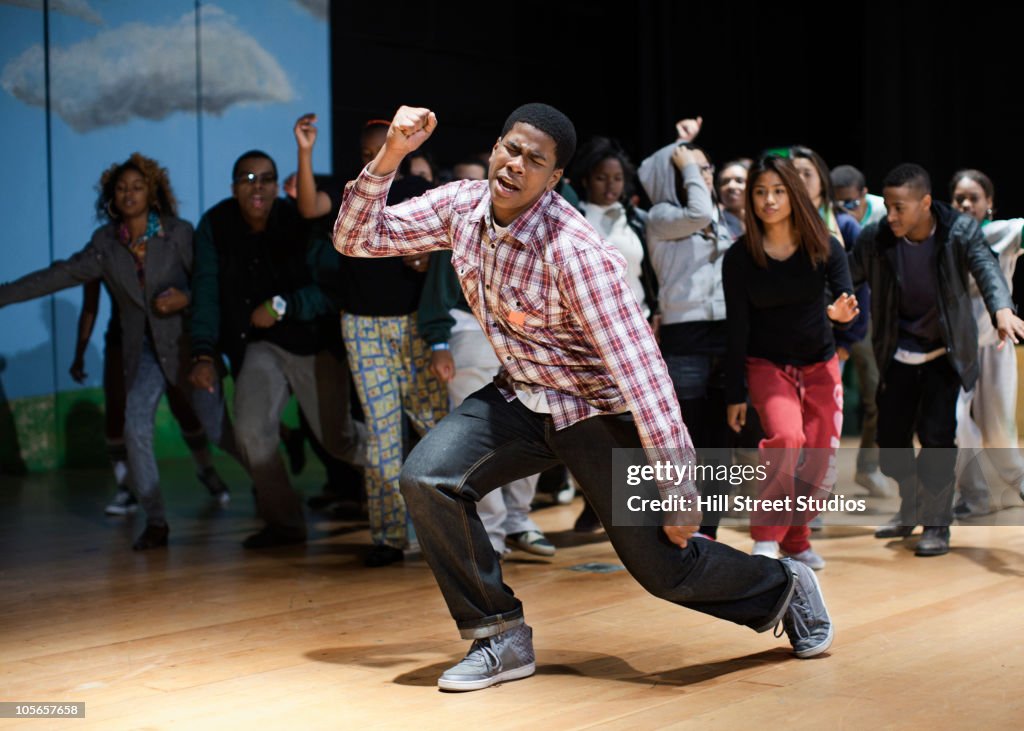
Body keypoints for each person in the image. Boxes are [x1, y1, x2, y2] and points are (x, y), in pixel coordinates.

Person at [333, 103, 833, 692]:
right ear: (496, 147)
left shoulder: (576, 253)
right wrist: (391, 153)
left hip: (597, 413)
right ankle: (499, 634)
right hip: (519, 397)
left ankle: (784, 586)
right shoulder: (463, 206)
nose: (516, 165)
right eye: (510, 149)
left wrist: (680, 487)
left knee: (664, 571)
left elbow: (643, 373)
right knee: (428, 478)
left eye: (535, 161)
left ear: (553, 179)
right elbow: (356, 237)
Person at [0, 153, 234, 550]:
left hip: (183, 347)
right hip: (139, 352)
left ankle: (267, 487)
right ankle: (156, 521)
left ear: (152, 193)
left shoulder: (178, 233)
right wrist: (4, 295)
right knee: (133, 426)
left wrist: (186, 299)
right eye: (122, 188)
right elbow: (58, 275)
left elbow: (212, 289)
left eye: (137, 187)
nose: (129, 193)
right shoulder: (105, 245)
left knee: (216, 429)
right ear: (111, 197)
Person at [189, 149, 365, 549]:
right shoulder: (215, 225)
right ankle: (285, 526)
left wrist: (283, 304)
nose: (258, 187)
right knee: (251, 433)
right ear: (234, 186)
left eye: (266, 178)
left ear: (276, 184)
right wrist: (203, 351)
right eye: (247, 179)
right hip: (260, 346)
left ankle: (413, 471)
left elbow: (332, 288)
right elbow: (205, 292)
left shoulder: (297, 220)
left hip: (313, 342)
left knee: (339, 441)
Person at [294, 113, 448, 566]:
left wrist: (424, 255)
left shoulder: (416, 193)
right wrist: (304, 152)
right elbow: (307, 207)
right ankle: (388, 536)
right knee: (382, 438)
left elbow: (441, 245)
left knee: (436, 429)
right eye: (366, 154)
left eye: (382, 150)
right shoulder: (352, 194)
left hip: (412, 325)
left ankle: (450, 531)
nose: (375, 159)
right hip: (361, 325)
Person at [849, 163, 1024, 556]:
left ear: (924, 203)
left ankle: (936, 523)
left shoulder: (958, 231)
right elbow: (846, 273)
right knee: (891, 442)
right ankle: (910, 501)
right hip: (897, 352)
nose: (890, 215)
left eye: (899, 208)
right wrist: (835, 303)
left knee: (937, 440)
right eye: (888, 207)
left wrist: (1002, 310)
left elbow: (987, 268)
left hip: (945, 353)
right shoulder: (877, 238)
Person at [723, 155, 859, 569]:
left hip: (820, 363)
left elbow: (845, 299)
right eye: (761, 192)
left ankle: (797, 539)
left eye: (778, 191)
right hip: (768, 365)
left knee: (818, 459)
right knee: (786, 440)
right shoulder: (739, 257)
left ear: (794, 195)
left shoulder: (824, 245)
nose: (769, 200)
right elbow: (736, 329)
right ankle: (766, 537)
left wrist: (841, 314)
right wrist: (735, 393)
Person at [637, 120, 738, 541]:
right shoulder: (663, 216)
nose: (704, 177)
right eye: (692, 171)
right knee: (688, 436)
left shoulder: (726, 218)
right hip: (686, 334)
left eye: (707, 169)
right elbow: (696, 210)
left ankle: (708, 532)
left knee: (720, 440)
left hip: (727, 333)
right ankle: (681, 528)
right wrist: (682, 149)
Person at [69, 280, 230, 516]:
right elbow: (90, 305)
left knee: (184, 406)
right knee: (117, 409)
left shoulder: (161, 245)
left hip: (166, 335)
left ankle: (206, 468)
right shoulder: (103, 248)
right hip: (123, 340)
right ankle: (126, 488)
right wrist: (79, 353)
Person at [948, 169, 1024, 515]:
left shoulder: (1004, 232)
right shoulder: (944, 238)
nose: (965, 204)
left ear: (989, 203)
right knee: (956, 421)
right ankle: (974, 494)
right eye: (959, 198)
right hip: (956, 348)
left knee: (999, 430)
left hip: (995, 344)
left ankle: (1020, 483)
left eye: (973, 198)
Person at [717, 159, 750, 237]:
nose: (731, 186)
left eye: (739, 181)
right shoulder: (712, 224)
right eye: (725, 182)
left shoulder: (763, 221)